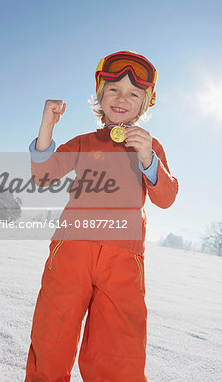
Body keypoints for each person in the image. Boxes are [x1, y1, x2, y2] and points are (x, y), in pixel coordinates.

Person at [25, 51, 179, 381]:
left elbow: (165, 198)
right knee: (52, 335)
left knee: (118, 348)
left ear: (144, 104)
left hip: (123, 260)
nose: (122, 98)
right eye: (114, 89)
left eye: (134, 93)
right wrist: (47, 128)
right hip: (71, 253)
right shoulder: (84, 142)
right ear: (100, 95)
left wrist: (148, 158)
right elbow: (43, 174)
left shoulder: (149, 147)